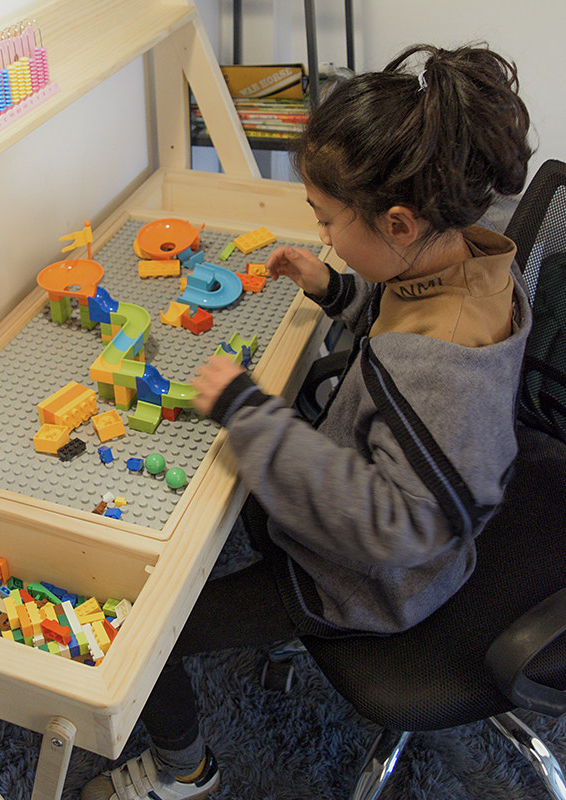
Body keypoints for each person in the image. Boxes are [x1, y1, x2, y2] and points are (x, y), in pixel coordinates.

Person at [81, 43, 533, 800]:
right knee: (235, 493)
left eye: (326, 220)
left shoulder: (443, 371)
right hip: (399, 523)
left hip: (368, 583)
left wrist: (250, 414)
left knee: (145, 639)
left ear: (397, 223)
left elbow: (389, 525)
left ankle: (184, 770)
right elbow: (398, 328)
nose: (321, 234)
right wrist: (337, 290)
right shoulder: (469, 264)